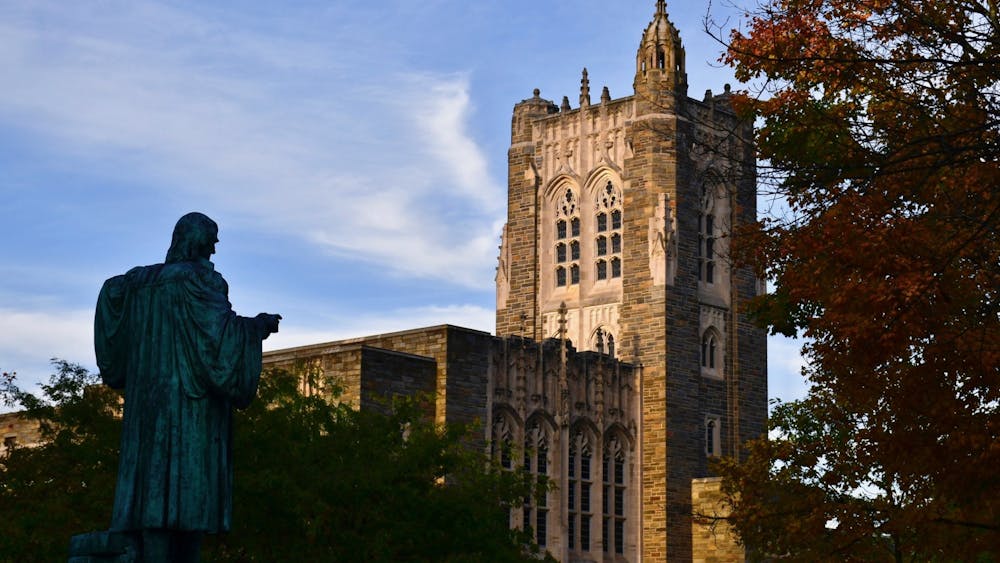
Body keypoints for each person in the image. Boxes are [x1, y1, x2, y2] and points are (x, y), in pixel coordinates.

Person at [94, 212, 280, 562]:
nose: (216, 245)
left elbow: (109, 296)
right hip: (189, 403)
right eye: (212, 237)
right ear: (197, 239)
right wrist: (256, 328)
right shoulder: (201, 281)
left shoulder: (138, 281)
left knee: (151, 484)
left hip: (147, 405)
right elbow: (217, 336)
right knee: (188, 492)